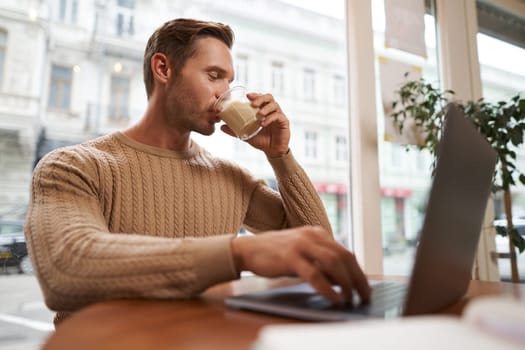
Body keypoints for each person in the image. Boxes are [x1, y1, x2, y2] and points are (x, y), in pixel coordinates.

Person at [25, 18, 370, 325]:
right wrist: (238, 254)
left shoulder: (231, 177)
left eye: (229, 80)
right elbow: (66, 269)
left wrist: (280, 155)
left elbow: (316, 244)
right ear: (163, 69)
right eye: (214, 76)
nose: (226, 93)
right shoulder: (72, 166)